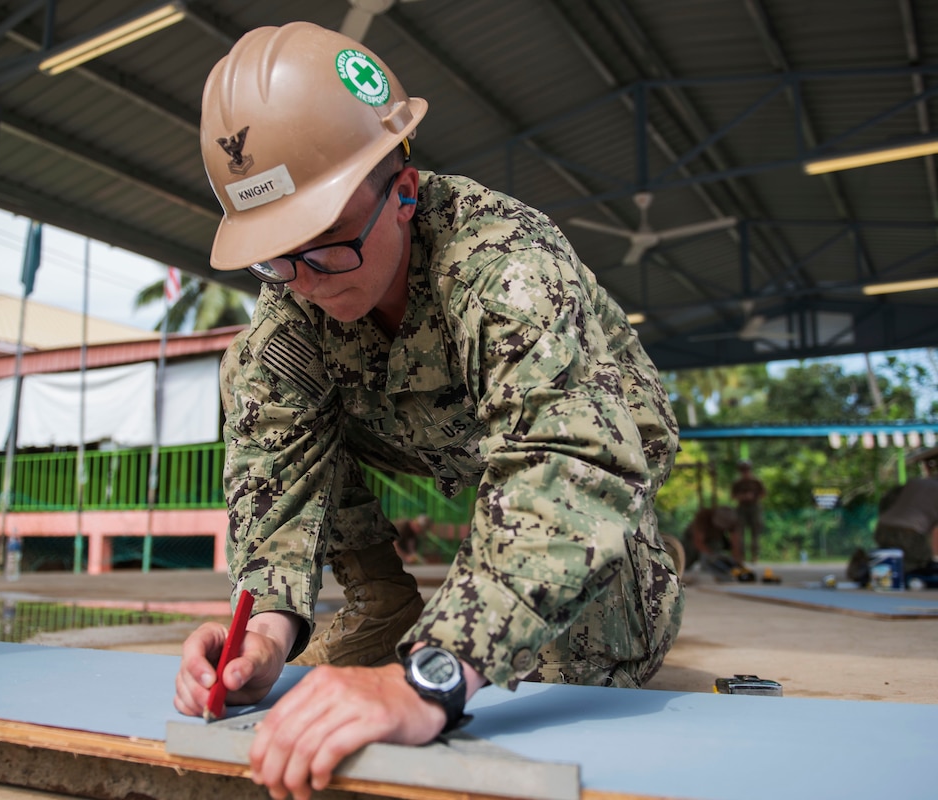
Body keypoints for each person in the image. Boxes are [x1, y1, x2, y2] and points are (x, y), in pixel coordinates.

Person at [174, 22, 683, 800]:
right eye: (278, 253)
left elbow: (573, 459)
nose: (304, 279)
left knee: (567, 674)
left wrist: (430, 676)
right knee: (256, 362)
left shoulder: (505, 266)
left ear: (403, 195)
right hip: (446, 438)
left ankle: (642, 562)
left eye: (328, 243)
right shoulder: (292, 315)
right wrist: (266, 636)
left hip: (591, 454)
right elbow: (276, 472)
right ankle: (383, 602)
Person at [872, 476, 938, 576]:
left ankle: (870, 572)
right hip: (910, 532)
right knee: (918, 567)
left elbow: (886, 500)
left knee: (890, 563)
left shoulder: (915, 482)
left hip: (883, 527)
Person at [729, 460, 766, 563]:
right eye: (743, 470)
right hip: (742, 508)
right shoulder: (738, 483)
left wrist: (753, 496)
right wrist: (741, 496)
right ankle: (741, 556)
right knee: (740, 533)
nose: (745, 472)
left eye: (746, 470)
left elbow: (763, 493)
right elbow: (732, 496)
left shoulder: (756, 482)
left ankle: (754, 556)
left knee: (755, 534)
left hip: (754, 507)